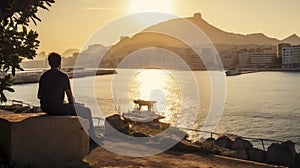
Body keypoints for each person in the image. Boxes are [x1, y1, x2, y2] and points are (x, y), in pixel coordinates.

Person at [38, 52, 98, 140]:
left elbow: (39, 96)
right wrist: (72, 105)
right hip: (57, 109)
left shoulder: (44, 76)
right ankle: (93, 138)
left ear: (49, 63)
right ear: (60, 63)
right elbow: (70, 98)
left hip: (45, 108)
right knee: (86, 111)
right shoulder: (63, 76)